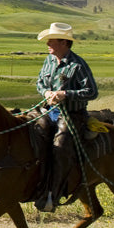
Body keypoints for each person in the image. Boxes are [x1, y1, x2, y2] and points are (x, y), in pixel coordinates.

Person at [33, 22, 98, 213]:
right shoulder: (49, 61)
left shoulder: (78, 65)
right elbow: (39, 83)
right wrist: (46, 93)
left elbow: (92, 92)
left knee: (60, 147)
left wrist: (66, 94)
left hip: (72, 114)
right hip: (48, 110)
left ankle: (54, 192)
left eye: (51, 40)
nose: (48, 44)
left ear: (64, 43)